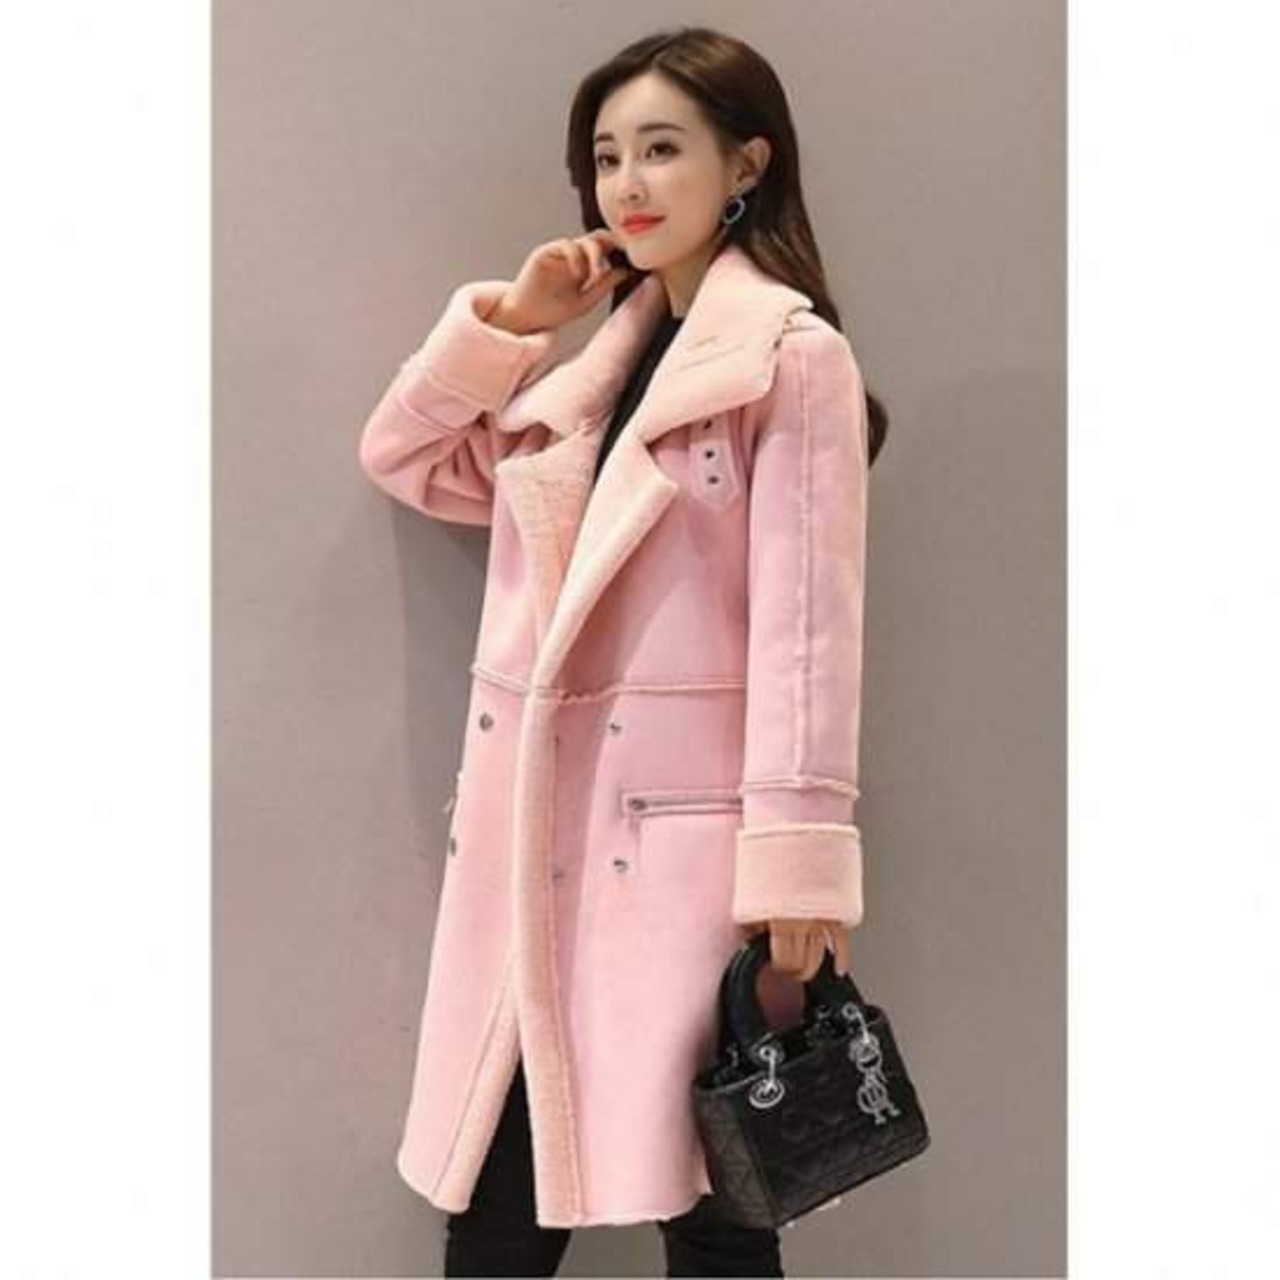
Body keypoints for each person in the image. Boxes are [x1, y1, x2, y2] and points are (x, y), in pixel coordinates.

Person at [358, 24, 890, 1278]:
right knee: (496, 1196)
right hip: (530, 846)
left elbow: (807, 635)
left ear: (745, 162)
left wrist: (799, 872)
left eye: (661, 149)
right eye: (605, 157)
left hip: (685, 860)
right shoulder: (583, 380)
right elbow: (406, 457)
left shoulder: (789, 359)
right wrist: (513, 322)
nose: (627, 185)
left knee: (717, 1199)